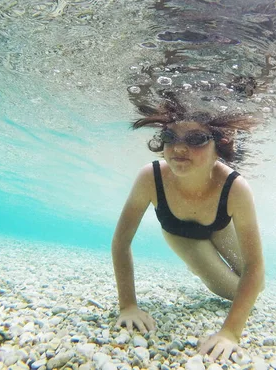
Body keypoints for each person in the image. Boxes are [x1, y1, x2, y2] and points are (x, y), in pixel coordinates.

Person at [111, 97, 265, 361]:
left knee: (257, 286)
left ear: (220, 146)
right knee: (230, 291)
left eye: (195, 139)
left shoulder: (235, 188)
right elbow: (121, 243)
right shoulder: (150, 177)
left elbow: (254, 265)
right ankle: (198, 262)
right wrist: (128, 306)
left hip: (219, 226)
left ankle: (200, 263)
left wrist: (230, 333)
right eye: (170, 137)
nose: (179, 148)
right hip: (180, 234)